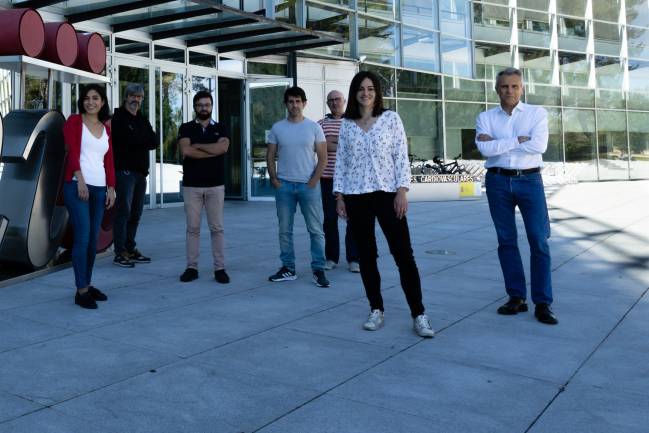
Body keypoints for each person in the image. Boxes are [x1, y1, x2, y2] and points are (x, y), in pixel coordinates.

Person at [333, 71, 434, 338]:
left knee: (404, 255)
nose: (365, 93)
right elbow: (341, 162)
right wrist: (340, 197)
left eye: (370, 88)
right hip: (356, 196)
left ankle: (419, 313)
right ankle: (376, 308)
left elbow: (401, 156)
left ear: (377, 92)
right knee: (367, 257)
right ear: (354, 93)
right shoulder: (347, 124)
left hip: (388, 195)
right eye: (360, 89)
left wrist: (402, 191)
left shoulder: (390, 119)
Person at [475, 67, 557, 325]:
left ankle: (542, 302)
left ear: (522, 88)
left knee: (538, 239)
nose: (509, 91)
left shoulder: (536, 113)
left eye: (514, 86)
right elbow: (484, 149)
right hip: (497, 181)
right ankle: (516, 297)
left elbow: (539, 145)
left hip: (529, 180)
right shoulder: (486, 116)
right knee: (506, 240)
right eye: (504, 86)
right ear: (496, 89)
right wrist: (516, 140)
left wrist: (500, 142)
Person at [266, 86, 330, 288]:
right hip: (284, 186)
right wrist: (274, 179)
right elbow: (270, 156)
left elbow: (323, 157)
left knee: (315, 230)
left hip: (308, 187)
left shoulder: (313, 127)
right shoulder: (278, 128)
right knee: (285, 230)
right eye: (290, 101)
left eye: (297, 101)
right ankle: (288, 268)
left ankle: (318, 269)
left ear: (304, 103)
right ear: (286, 104)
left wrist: (313, 181)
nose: (294, 105)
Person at [63, 84, 116, 309]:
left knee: (93, 241)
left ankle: (87, 282)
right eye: (86, 98)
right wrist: (80, 179)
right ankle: (81, 291)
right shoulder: (74, 121)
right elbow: (72, 151)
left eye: (95, 98)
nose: (90, 102)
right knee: (83, 238)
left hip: (99, 188)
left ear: (102, 102)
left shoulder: (106, 129)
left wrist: (111, 188)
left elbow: (109, 161)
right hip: (77, 187)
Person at [177, 90, 231, 284]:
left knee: (217, 228)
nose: (203, 108)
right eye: (200, 105)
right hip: (192, 186)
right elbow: (186, 150)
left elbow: (223, 148)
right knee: (192, 228)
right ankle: (192, 268)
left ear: (211, 106)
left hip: (215, 186)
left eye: (207, 105)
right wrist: (212, 150)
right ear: (194, 107)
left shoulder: (221, 127)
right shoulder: (186, 127)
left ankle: (220, 268)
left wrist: (198, 146)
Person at [111, 83, 157, 268]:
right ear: (125, 97)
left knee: (136, 213)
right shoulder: (119, 118)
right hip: (125, 173)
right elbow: (127, 140)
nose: (135, 100)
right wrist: (141, 138)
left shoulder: (141, 119)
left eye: (139, 97)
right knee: (123, 212)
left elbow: (153, 141)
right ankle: (119, 252)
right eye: (132, 96)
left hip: (140, 174)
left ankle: (130, 248)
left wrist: (139, 138)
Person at [318, 90, 360, 273]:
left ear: (344, 101)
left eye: (338, 100)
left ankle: (354, 259)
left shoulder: (354, 122)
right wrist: (340, 142)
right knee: (329, 219)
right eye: (331, 100)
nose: (335, 103)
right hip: (327, 179)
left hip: (351, 180)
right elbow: (319, 146)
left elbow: (355, 147)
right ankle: (331, 257)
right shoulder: (320, 124)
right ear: (327, 103)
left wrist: (332, 142)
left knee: (353, 219)